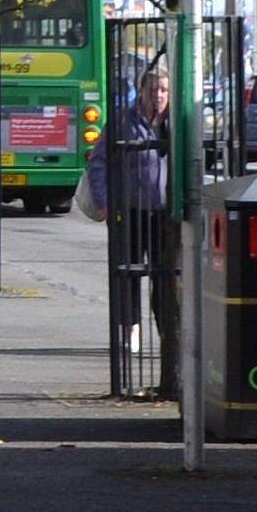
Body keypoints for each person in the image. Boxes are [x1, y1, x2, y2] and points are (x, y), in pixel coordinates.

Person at [86, 66, 176, 396]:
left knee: (165, 276)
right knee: (128, 273)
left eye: (164, 90)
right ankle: (130, 328)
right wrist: (105, 202)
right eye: (153, 89)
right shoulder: (123, 121)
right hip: (131, 211)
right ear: (141, 91)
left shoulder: (176, 123)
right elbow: (98, 162)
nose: (158, 95)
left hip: (166, 214)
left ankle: (168, 332)